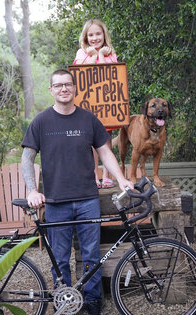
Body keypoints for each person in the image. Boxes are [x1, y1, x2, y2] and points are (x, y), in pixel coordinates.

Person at [21, 68, 133, 315]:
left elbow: (105, 153)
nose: (63, 89)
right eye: (58, 85)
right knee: (60, 258)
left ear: (74, 88)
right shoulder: (41, 122)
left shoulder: (88, 120)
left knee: (91, 255)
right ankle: (65, 304)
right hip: (56, 202)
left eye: (68, 85)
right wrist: (31, 190)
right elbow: (27, 158)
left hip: (87, 200)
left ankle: (93, 301)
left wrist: (121, 179)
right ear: (51, 90)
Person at [73, 19, 118, 189]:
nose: (95, 38)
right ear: (85, 37)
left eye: (98, 34)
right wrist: (93, 56)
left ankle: (107, 176)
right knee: (91, 143)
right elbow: (81, 72)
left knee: (106, 141)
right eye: (91, 35)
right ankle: (94, 176)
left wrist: (101, 55)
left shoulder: (110, 53)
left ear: (104, 35)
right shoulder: (81, 53)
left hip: (106, 104)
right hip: (89, 106)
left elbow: (111, 73)